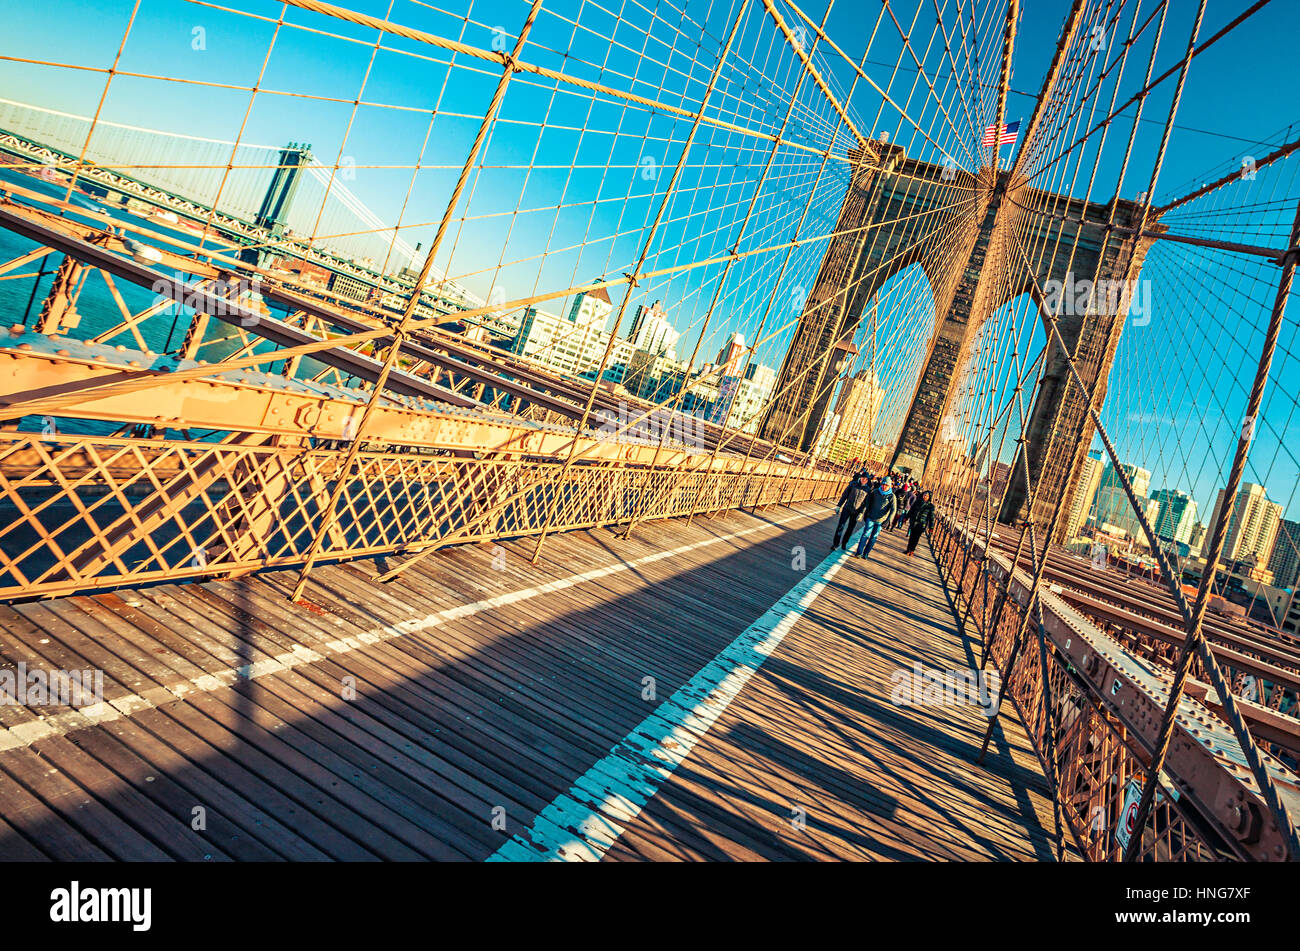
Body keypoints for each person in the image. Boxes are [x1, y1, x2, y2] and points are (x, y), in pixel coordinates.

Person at [854, 476, 897, 560]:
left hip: (880, 520)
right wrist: (863, 513)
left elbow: (893, 509)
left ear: (889, 486)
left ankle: (866, 553)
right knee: (865, 534)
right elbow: (867, 503)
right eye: (883, 484)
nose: (884, 486)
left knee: (873, 537)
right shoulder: (875, 492)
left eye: (886, 485)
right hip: (871, 517)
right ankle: (859, 552)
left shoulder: (892, 496)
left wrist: (889, 520)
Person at [832, 472, 871, 550]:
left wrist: (861, 513)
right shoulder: (853, 484)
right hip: (847, 508)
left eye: (866, 479)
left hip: (856, 511)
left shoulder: (867, 489)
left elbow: (865, 503)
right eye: (863, 478)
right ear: (860, 477)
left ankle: (844, 543)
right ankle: (835, 544)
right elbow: (845, 495)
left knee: (850, 528)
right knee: (841, 526)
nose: (864, 480)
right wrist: (839, 506)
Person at [902, 490, 935, 556]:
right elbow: (911, 511)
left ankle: (912, 550)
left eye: (927, 496)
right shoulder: (917, 502)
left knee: (916, 538)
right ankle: (908, 549)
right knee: (911, 537)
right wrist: (906, 517)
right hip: (914, 522)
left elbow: (931, 518)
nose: (925, 496)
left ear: (929, 497)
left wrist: (931, 527)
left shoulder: (931, 506)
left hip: (921, 524)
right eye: (924, 495)